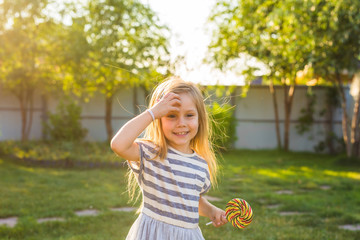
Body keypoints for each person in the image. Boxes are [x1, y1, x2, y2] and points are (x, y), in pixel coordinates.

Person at [111, 77, 228, 240]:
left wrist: (212, 211)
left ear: (200, 119)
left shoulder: (200, 165)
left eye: (189, 115)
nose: (181, 123)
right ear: (159, 119)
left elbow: (192, 199)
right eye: (171, 115)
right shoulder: (152, 153)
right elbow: (118, 145)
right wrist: (153, 112)